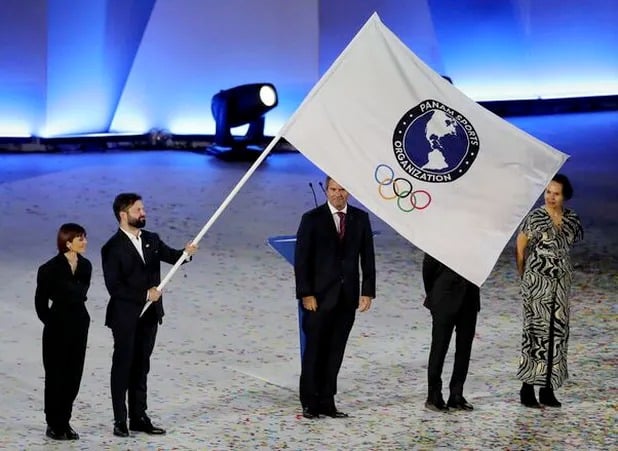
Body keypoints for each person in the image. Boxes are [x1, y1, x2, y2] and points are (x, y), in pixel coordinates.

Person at [101, 193, 198, 437]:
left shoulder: (151, 239)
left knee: (141, 366)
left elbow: (172, 257)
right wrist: (145, 294)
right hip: (125, 316)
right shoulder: (111, 248)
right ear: (123, 215)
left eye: (143, 209)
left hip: (149, 315)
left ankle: (139, 417)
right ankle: (120, 420)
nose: (143, 213)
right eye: (138, 210)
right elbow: (115, 287)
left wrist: (186, 253)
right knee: (123, 366)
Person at [294, 176, 376, 419]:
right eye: (333, 189)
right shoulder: (311, 220)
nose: (337, 194)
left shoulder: (360, 219)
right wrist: (306, 293)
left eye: (342, 189)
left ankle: (328, 401)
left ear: (348, 192)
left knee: (335, 351)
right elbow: (302, 260)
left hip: (346, 298)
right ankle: (309, 401)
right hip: (318, 298)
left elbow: (367, 257)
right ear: (326, 189)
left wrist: (367, 291)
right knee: (315, 350)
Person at [516, 173, 583, 408]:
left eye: (556, 193)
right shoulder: (535, 217)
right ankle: (527, 389)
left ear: (564, 196)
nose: (551, 197)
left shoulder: (572, 220)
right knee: (536, 334)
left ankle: (548, 389)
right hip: (537, 282)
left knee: (557, 334)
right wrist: (525, 276)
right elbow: (521, 246)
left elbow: (569, 246)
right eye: (548, 192)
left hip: (561, 284)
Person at [35, 223, 91, 440]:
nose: (85, 242)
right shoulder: (48, 269)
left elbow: (79, 292)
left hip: (79, 324)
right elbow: (40, 303)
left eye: (85, 238)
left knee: (73, 376)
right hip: (57, 327)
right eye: (80, 239)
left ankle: (65, 421)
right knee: (56, 377)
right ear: (68, 243)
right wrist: (52, 323)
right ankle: (54, 423)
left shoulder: (86, 266)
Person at [422, 253, 480, 412]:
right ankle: (433, 396)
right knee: (439, 348)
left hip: (470, 299)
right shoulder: (442, 237)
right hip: (444, 299)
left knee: (464, 349)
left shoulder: (478, 238)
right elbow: (428, 268)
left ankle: (456, 395)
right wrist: (434, 295)